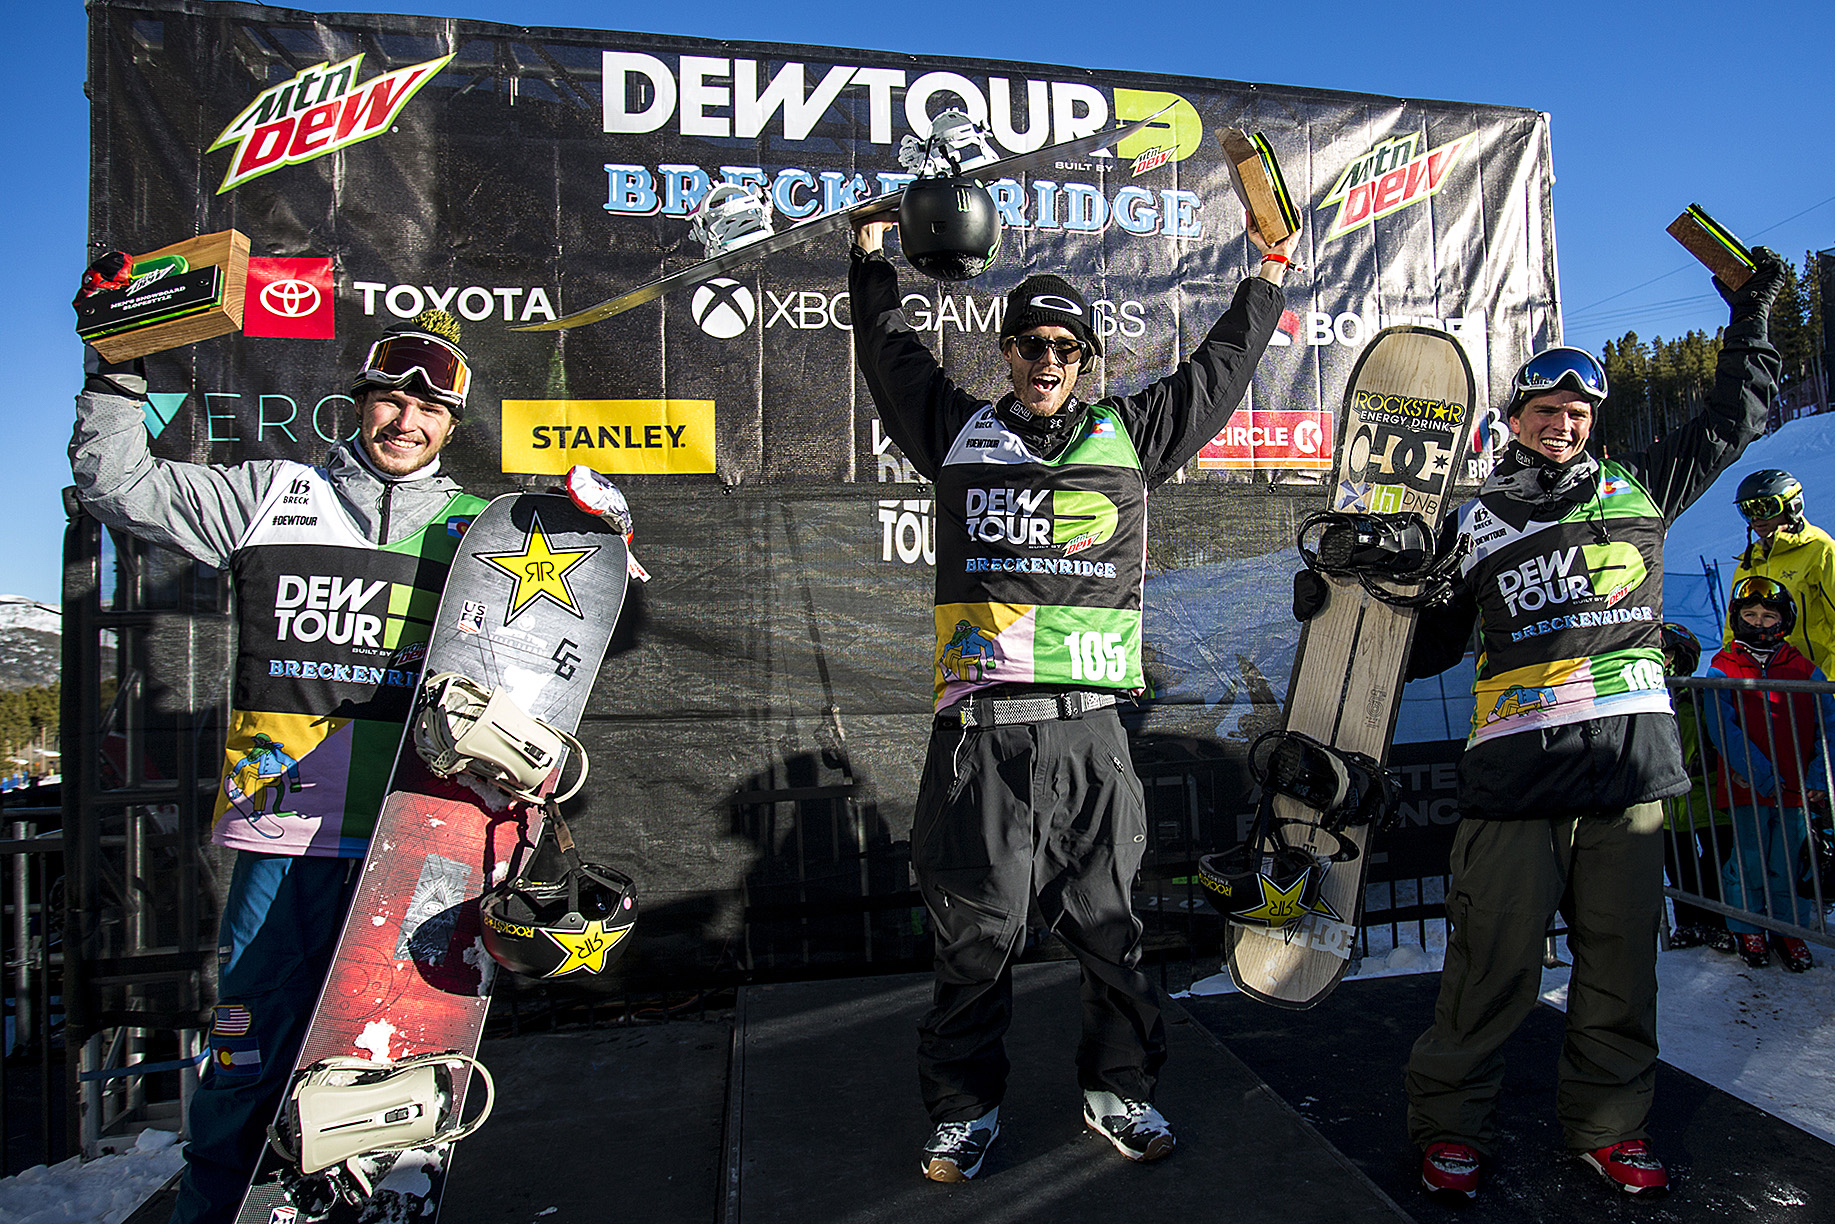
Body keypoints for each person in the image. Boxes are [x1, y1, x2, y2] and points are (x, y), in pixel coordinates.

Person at [69, 299, 628, 1224]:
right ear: (357, 403)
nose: (406, 423)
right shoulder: (267, 497)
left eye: (429, 411)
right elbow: (114, 484)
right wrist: (115, 370)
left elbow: (555, 659)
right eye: (388, 402)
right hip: (284, 828)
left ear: (451, 424)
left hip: (422, 837)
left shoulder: (482, 533)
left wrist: (601, 539)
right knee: (250, 1054)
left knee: (396, 1065)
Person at [848, 213, 1295, 1181]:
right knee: (974, 942)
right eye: (1028, 345)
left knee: (1110, 934)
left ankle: (1118, 1093)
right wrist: (869, 259)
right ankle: (963, 1116)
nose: (1045, 361)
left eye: (1063, 347)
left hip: (1092, 736)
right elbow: (888, 357)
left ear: (1085, 359)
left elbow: (1216, 374)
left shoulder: (1129, 436)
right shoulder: (956, 432)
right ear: (1005, 354)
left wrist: (1267, 273)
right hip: (981, 739)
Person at [1399, 247, 1786, 1200]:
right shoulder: (1476, 519)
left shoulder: (1640, 485)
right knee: (1489, 970)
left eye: (1577, 413)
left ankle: (1608, 1127)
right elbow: (1430, 650)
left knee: (1617, 974)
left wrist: (1749, 317)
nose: (1563, 425)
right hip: (1515, 783)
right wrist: (1366, 601)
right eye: (1545, 412)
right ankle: (1449, 1126)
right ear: (1516, 422)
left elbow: (1734, 415)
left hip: (1625, 778)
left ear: (1590, 421)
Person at [1702, 577, 1835, 972]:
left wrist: (1817, 777)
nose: (1759, 623)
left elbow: (1829, 729)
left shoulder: (1804, 670)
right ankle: (1749, 925)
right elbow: (1722, 727)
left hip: (1795, 790)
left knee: (1788, 861)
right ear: (1738, 618)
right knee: (1749, 859)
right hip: (1750, 787)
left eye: (1768, 615)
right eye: (1750, 615)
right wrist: (1757, 773)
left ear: (1783, 620)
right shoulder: (1723, 668)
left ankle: (1789, 928)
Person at [1658, 623, 1737, 952]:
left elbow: (1721, 735)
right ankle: (1688, 921)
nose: (1663, 661)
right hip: (1670, 803)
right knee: (1679, 864)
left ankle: (1717, 921)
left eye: (1668, 654)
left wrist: (1709, 755)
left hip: (1706, 795)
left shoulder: (1700, 697)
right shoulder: (1649, 699)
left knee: (1716, 860)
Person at [1727, 469, 1835, 671]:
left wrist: (1829, 688)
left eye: (1764, 508)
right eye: (1747, 510)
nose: (1755, 518)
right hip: (1763, 688)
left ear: (1791, 507)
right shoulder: (1749, 562)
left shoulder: (1821, 552)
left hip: (1815, 682)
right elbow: (1732, 631)